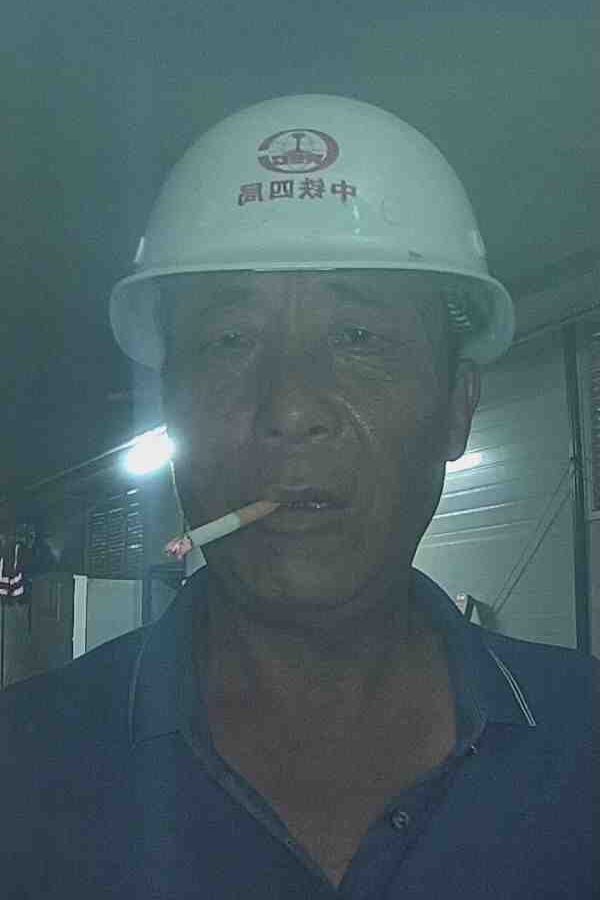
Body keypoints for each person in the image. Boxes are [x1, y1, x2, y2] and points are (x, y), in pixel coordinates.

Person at [1, 95, 597, 897]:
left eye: (358, 338)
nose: (288, 406)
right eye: (229, 340)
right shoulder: (23, 771)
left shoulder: (586, 746)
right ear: (170, 404)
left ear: (457, 409)